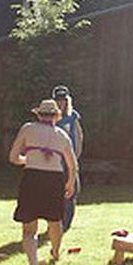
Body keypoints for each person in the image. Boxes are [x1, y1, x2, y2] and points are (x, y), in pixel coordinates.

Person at [7, 99, 78, 265]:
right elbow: (72, 165)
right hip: (54, 179)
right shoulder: (62, 135)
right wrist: (70, 183)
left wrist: (27, 159)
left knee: (29, 226)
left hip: (32, 178)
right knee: (55, 220)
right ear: (57, 116)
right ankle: (55, 252)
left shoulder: (28, 129)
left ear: (39, 115)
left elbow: (13, 157)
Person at [52, 85, 84, 232]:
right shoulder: (50, 116)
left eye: (63, 100)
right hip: (55, 160)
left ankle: (66, 223)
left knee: (72, 190)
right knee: (55, 191)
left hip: (69, 158)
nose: (61, 103)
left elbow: (78, 135)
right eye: (58, 100)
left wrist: (76, 155)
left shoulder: (73, 116)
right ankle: (55, 221)